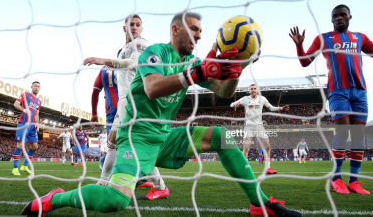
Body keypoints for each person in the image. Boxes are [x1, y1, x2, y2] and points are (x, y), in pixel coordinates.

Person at [21, 12, 303, 217]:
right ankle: (54, 199)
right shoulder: (155, 53)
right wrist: (194, 74)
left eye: (201, 32)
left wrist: (237, 68)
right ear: (176, 30)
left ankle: (260, 204)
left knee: (224, 137)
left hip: (166, 136)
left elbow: (225, 92)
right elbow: (153, 87)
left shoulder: (192, 62)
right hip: (136, 139)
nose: (199, 35)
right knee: (113, 201)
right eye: (193, 29)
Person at [289, 4, 373, 194]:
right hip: (338, 91)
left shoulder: (360, 37)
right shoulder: (323, 38)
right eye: (335, 16)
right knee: (343, 132)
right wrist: (299, 45)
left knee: (359, 135)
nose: (339, 18)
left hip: (360, 91)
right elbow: (305, 62)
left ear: (350, 16)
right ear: (331, 19)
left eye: (342, 15)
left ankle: (354, 181)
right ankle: (336, 179)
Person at [84, 14, 164, 198]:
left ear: (141, 28)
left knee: (133, 147)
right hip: (124, 103)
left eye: (137, 25)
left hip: (133, 103)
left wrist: (102, 60)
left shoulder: (141, 43)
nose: (134, 28)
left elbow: (134, 63)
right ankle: (104, 182)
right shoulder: (124, 48)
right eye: (131, 25)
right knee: (113, 145)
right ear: (124, 28)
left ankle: (159, 187)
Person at [230, 84, 289, 174]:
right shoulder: (245, 99)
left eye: (255, 89)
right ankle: (244, 169)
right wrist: (234, 104)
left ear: (257, 90)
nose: (253, 90)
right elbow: (231, 104)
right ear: (249, 91)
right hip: (249, 127)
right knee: (246, 148)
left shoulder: (263, 99)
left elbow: (271, 108)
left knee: (267, 147)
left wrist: (280, 108)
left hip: (259, 126)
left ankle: (268, 168)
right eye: (251, 89)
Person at [12, 81, 42, 176]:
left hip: (32, 126)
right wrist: (24, 110)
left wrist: (37, 124)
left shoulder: (39, 101)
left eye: (38, 86)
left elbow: (36, 113)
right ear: (31, 87)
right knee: (20, 145)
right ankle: (15, 168)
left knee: (35, 147)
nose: (37, 88)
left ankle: (24, 166)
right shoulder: (26, 94)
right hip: (24, 123)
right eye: (35, 86)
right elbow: (16, 104)